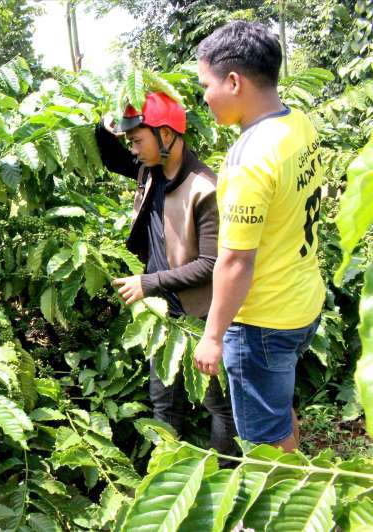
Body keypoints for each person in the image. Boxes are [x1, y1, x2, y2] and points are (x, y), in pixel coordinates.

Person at [194, 21, 324, 453]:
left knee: (263, 443)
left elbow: (235, 261)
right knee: (277, 407)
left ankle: (274, 516)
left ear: (233, 81)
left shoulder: (249, 160)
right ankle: (297, 484)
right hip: (303, 302)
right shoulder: (298, 124)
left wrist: (213, 336)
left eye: (206, 85)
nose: (204, 97)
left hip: (262, 323)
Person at [96, 91, 237, 459]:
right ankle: (166, 477)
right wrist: (104, 127)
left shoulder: (204, 188)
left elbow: (212, 263)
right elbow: (112, 159)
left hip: (200, 315)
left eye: (138, 140)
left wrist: (148, 283)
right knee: (164, 402)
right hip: (163, 314)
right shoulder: (150, 169)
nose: (134, 149)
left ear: (168, 135)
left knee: (218, 405)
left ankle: (222, 482)